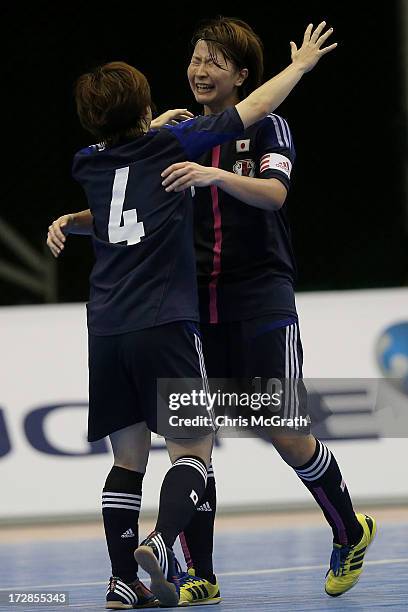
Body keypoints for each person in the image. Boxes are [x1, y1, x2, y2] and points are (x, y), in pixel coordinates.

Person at [47, 23, 337, 608]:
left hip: (104, 331)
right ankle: (160, 541)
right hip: (167, 326)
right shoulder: (169, 145)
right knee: (194, 451)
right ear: (149, 108)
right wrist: (302, 65)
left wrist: (71, 219)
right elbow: (254, 106)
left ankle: (121, 584)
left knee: (127, 463)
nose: (200, 69)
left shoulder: (87, 162)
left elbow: (117, 184)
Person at [160, 16, 376, 604]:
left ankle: (350, 530)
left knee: (282, 429)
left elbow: (275, 194)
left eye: (215, 62)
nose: (200, 71)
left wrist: (214, 175)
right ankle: (199, 574)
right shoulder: (180, 131)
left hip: (259, 299)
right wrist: (150, 134)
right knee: (190, 437)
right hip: (190, 307)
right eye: (196, 58)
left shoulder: (269, 126)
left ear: (242, 76)